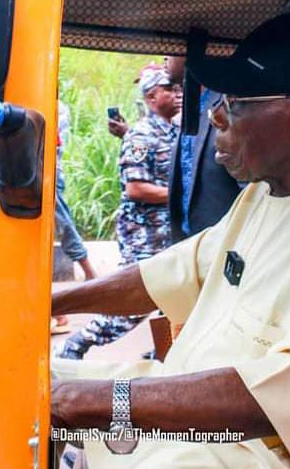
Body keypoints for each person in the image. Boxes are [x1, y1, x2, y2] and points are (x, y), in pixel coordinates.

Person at [51, 13, 290, 469]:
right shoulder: (264, 193)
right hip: (201, 415)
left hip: (285, 453)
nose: (217, 118)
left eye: (237, 103)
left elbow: (273, 398)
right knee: (28, 379)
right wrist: (49, 302)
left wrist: (104, 403)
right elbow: (168, 274)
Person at [57, 64, 181, 359]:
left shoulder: (174, 130)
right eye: (168, 89)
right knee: (135, 302)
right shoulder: (141, 134)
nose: (177, 94)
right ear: (151, 97)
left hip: (168, 233)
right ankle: (78, 344)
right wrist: (181, 197)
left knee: (174, 298)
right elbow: (135, 189)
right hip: (144, 234)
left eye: (176, 88)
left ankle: (162, 355)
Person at [164, 56, 244, 243]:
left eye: (173, 48)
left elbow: (251, 190)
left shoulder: (229, 103)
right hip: (190, 244)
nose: (165, 57)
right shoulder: (191, 104)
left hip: (225, 246)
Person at [51, 100, 97, 334]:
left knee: (62, 224)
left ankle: (89, 272)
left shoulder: (55, 108)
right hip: (41, 171)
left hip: (44, 172)